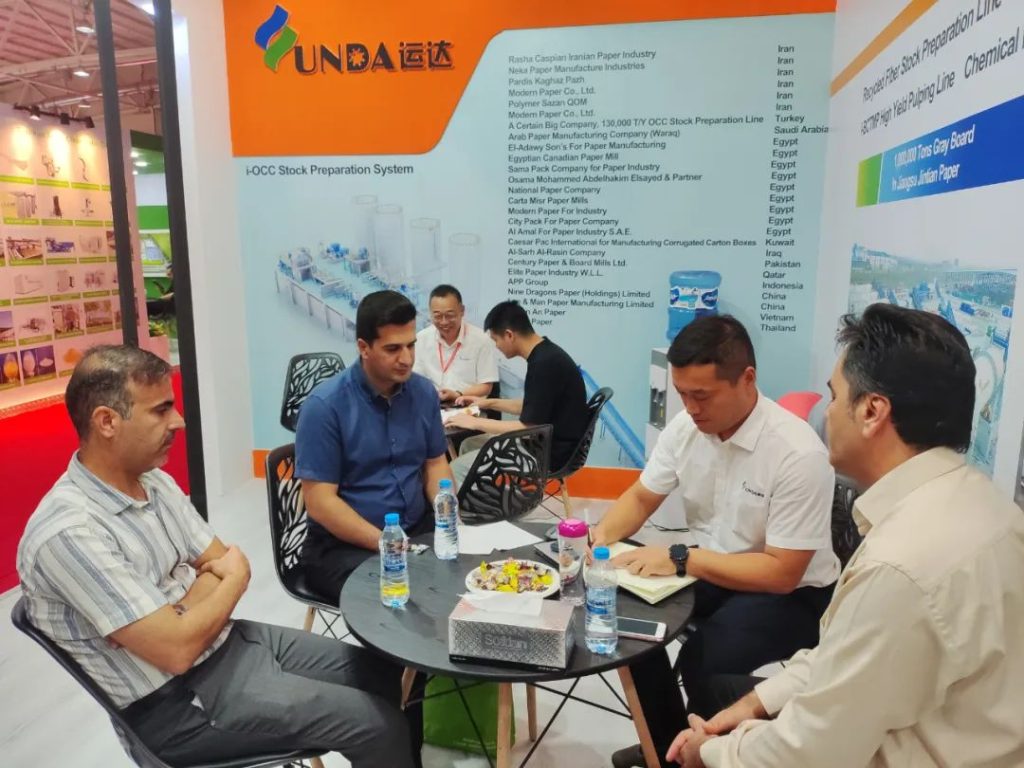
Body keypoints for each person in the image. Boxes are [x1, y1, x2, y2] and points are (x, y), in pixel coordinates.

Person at [16, 345, 417, 768]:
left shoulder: (154, 482)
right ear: (107, 421)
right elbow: (179, 648)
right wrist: (225, 580)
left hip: (227, 641)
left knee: (388, 676)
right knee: (378, 725)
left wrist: (178, 610)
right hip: (178, 704)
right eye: (161, 410)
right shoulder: (69, 532)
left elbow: (221, 558)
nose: (179, 420)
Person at [667, 304, 1024, 768]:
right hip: (942, 728)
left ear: (872, 411)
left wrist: (711, 752)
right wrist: (753, 706)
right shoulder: (989, 508)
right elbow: (843, 658)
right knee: (722, 691)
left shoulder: (900, 565)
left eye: (834, 397)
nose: (828, 413)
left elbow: (810, 750)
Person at [594, 315, 840, 768]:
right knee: (629, 625)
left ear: (747, 379)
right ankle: (667, 746)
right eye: (682, 393)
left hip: (793, 593)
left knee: (704, 659)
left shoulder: (797, 452)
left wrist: (682, 558)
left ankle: (708, 755)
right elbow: (642, 496)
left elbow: (782, 573)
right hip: (714, 565)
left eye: (702, 395)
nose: (690, 407)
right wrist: (599, 541)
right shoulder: (686, 428)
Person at [296, 290, 452, 600]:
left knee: (466, 580)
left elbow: (435, 464)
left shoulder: (423, 394)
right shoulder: (325, 407)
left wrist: (447, 517)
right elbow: (320, 502)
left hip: (414, 532)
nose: (406, 359)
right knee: (414, 595)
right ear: (363, 348)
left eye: (411, 345)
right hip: (344, 547)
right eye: (393, 349)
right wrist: (389, 544)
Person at [447, 300, 589, 485]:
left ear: (509, 335)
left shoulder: (544, 365)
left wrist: (475, 422)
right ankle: (484, 499)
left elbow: (527, 427)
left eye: (496, 340)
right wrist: (488, 403)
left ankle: (476, 502)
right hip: (549, 445)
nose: (497, 346)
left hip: (547, 454)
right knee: (469, 444)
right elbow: (533, 407)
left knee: (455, 469)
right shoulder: (546, 354)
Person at [413, 283, 498, 403]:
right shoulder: (421, 338)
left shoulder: (481, 340)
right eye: (437, 316)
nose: (444, 322)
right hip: (431, 404)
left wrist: (457, 394)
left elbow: (486, 386)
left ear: (462, 311)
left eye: (450, 315)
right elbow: (416, 379)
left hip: (467, 406)